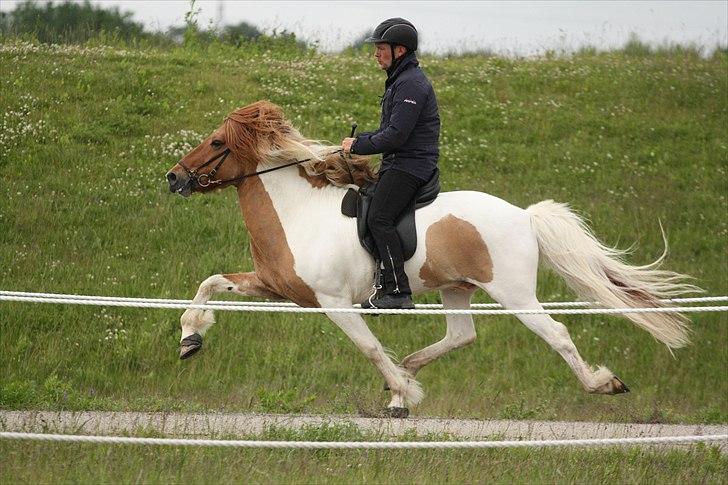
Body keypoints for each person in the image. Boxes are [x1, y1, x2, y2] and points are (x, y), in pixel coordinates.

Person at [342, 18, 441, 310]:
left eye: (381, 48)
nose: (376, 54)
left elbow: (396, 136)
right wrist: (359, 140)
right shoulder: (401, 81)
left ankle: (397, 290)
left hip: (411, 166)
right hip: (400, 163)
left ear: (400, 51)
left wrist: (359, 145)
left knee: (379, 218)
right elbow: (388, 131)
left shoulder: (411, 84)